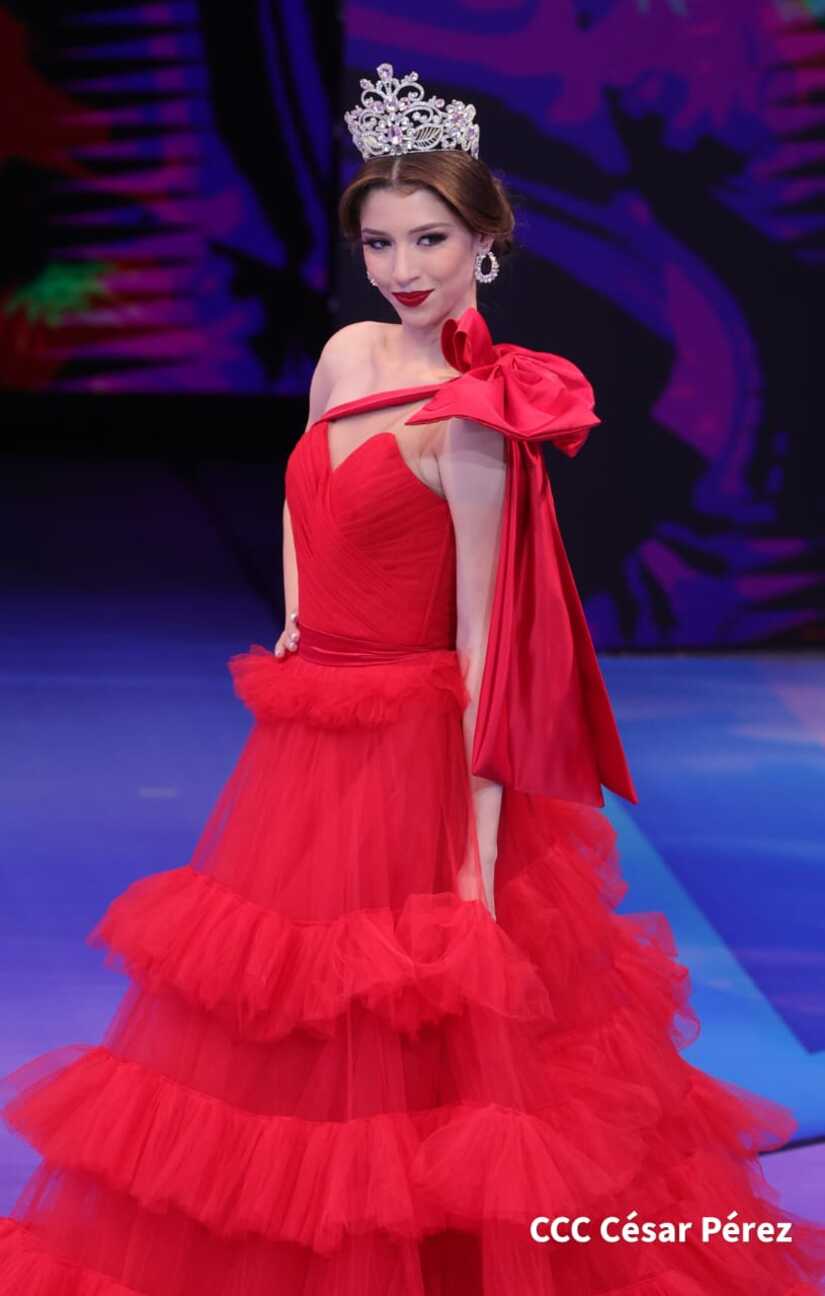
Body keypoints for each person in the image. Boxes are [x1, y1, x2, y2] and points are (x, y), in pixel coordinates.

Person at [1, 60, 824, 1296]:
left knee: (423, 1014)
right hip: (310, 728)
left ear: (487, 241)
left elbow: (490, 642)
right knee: (286, 1005)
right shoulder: (346, 353)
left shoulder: (473, 420)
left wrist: (475, 851)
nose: (403, 267)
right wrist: (299, 612)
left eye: (430, 238)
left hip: (417, 749)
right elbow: (304, 484)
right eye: (381, 241)